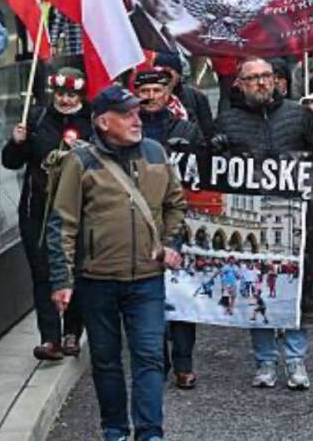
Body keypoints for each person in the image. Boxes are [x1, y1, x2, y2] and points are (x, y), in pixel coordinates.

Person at [47, 85, 185, 441]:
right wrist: (62, 280)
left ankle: (150, 432)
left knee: (150, 357)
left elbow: (176, 205)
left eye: (137, 112)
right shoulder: (80, 161)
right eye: (127, 114)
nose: (137, 119)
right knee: (106, 362)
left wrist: (170, 244)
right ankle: (115, 429)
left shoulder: (155, 152)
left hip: (147, 279)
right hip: (97, 280)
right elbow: (62, 223)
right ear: (104, 122)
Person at [214, 56, 313, 390]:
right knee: (257, 289)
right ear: (240, 84)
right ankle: (265, 361)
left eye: (267, 76)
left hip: (296, 217)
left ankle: (296, 360)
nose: (262, 82)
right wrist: (214, 150)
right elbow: (214, 173)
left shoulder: (299, 115)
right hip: (252, 222)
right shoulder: (227, 121)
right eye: (253, 78)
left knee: (295, 290)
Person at [2, 67, 92, 361]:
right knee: (42, 272)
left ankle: (71, 332)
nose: (65, 100)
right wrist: (17, 142)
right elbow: (11, 163)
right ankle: (49, 338)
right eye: (61, 94)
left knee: (74, 268)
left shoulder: (92, 121)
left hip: (77, 210)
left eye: (71, 95)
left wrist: (88, 150)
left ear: (79, 95)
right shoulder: (38, 118)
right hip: (37, 210)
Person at [133, 67, 204, 390]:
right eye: (144, 92)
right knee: (149, 296)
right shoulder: (129, 131)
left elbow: (206, 168)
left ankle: (184, 363)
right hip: (141, 221)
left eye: (156, 92)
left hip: (182, 219)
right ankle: (156, 360)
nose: (150, 98)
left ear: (167, 93)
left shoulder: (187, 129)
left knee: (182, 294)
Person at [153, 52, 215, 140]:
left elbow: (207, 132)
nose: (164, 78)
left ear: (178, 75)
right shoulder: (148, 98)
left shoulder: (196, 97)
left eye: (167, 73)